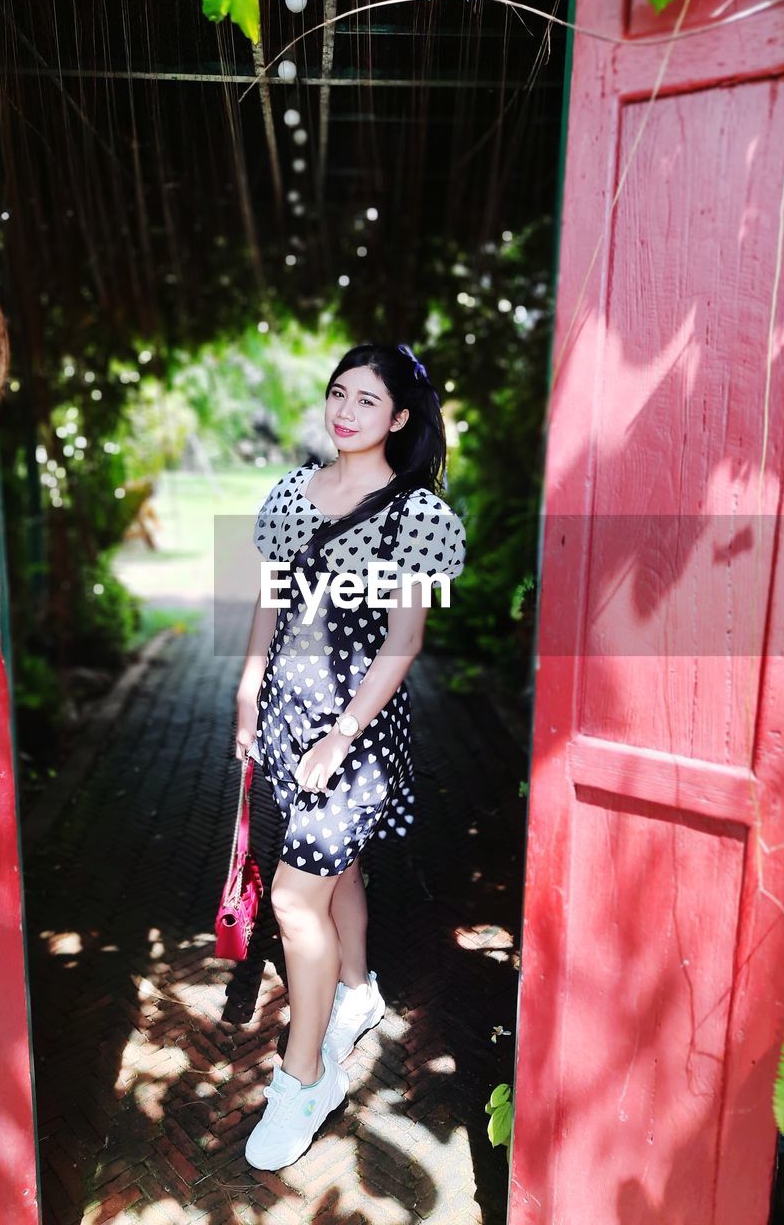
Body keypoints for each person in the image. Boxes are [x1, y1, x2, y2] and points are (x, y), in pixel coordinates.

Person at [234, 342, 466, 1172]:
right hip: (287, 715)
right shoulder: (294, 492)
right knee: (340, 875)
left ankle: (304, 1082)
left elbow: (402, 642)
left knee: (297, 901)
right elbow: (273, 595)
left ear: (400, 418)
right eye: (339, 394)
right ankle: (357, 992)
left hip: (358, 734)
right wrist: (249, 685)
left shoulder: (418, 517)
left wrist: (340, 735)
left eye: (368, 400)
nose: (346, 411)